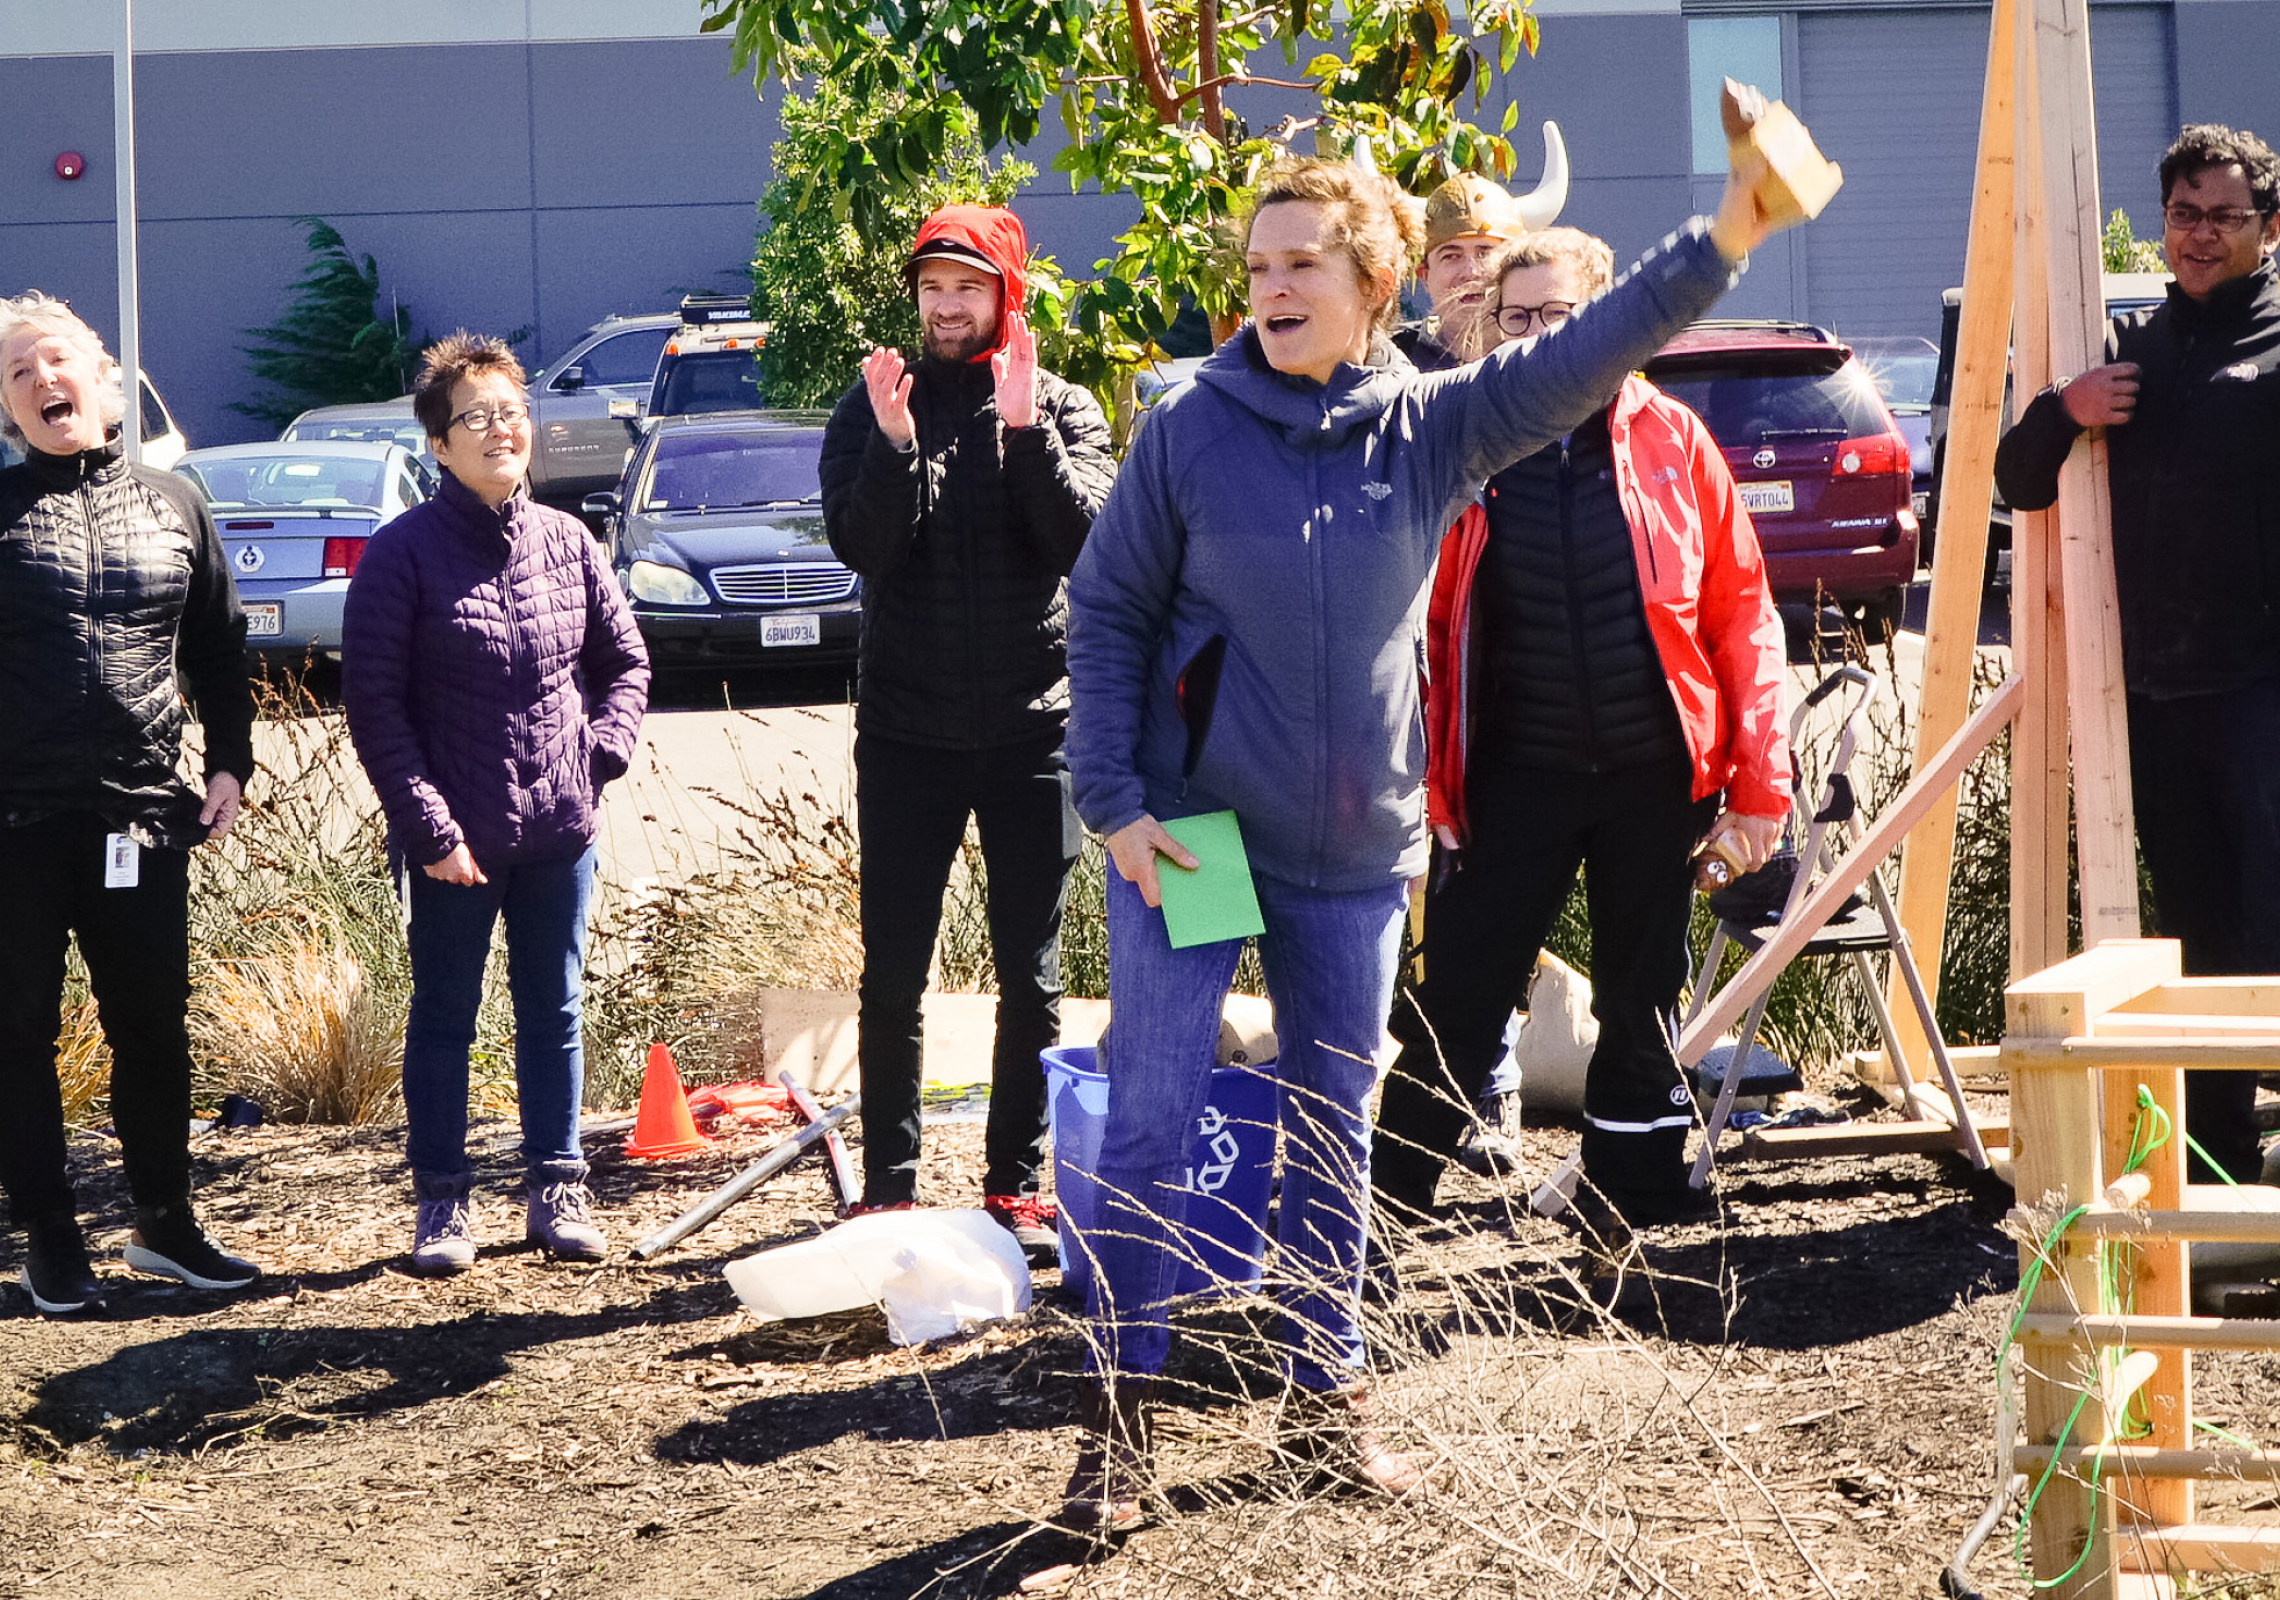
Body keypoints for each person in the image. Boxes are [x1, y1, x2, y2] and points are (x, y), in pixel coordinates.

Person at [1060, 154, 1791, 1532]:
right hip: (1195, 833)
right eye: (1260, 266)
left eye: (1302, 267)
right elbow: (1103, 616)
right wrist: (1116, 803)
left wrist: (1728, 234)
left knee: (1333, 1134)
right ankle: (1118, 1422)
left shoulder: (1433, 430)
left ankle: (1321, 1411)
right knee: (1153, 1119)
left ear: (1375, 285)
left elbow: (1586, 350)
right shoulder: (1188, 429)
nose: (1271, 290)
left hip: (1349, 852)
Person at [1371, 228, 1790, 1237]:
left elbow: (1742, 614)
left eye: (1565, 316)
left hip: (1658, 773)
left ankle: (1634, 1203)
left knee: (1642, 997)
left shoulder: (1676, 442)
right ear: (1492, 326)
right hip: (1519, 776)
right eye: (1521, 317)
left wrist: (1761, 786)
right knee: (1459, 996)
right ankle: (1380, 1209)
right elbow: (1416, 627)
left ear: (1611, 323)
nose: (1543, 335)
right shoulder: (1470, 442)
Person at [818, 204, 1117, 1262]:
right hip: (906, 732)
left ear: (1006, 294)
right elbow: (863, 546)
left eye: (969, 286)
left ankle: (1016, 1186)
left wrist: (1026, 428)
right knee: (893, 972)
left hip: (1035, 731)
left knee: (1029, 977)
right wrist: (895, 444)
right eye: (933, 286)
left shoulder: (1066, 404)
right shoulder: (871, 408)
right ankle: (889, 1191)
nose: (948, 305)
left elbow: (1083, 543)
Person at [1994, 123, 2280, 1185]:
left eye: (2224, 216)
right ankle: (2216, 1167)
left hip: (2265, 694)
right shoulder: (2131, 356)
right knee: (2194, 942)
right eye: (2183, 214)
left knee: (2271, 928)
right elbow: (2018, 481)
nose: (2200, 235)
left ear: (2270, 229)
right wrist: (2062, 412)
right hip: (2157, 701)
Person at [342, 332, 649, 1275]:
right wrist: (428, 826)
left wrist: (597, 756)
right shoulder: (401, 557)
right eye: (473, 418)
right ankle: (441, 1202)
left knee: (552, 1008)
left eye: (511, 413)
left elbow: (623, 664)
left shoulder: (568, 540)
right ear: (438, 444)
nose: (497, 430)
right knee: (445, 1014)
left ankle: (556, 1187)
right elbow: (376, 708)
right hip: (453, 842)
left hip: (560, 830)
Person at [0, 290, 261, 1314]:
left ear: (100, 373)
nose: (41, 382)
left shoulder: (175, 502)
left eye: (53, 360)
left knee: (152, 1026)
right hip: (14, 825)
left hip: (143, 819)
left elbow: (218, 646)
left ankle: (165, 1223)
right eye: (18, 373)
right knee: (16, 1031)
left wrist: (230, 760)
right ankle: (52, 1240)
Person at [1393, 173, 1527, 373]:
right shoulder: (1393, 366)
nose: (1471, 272)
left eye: (1486, 253)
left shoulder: (1542, 358)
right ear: (1424, 276)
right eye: (1451, 256)